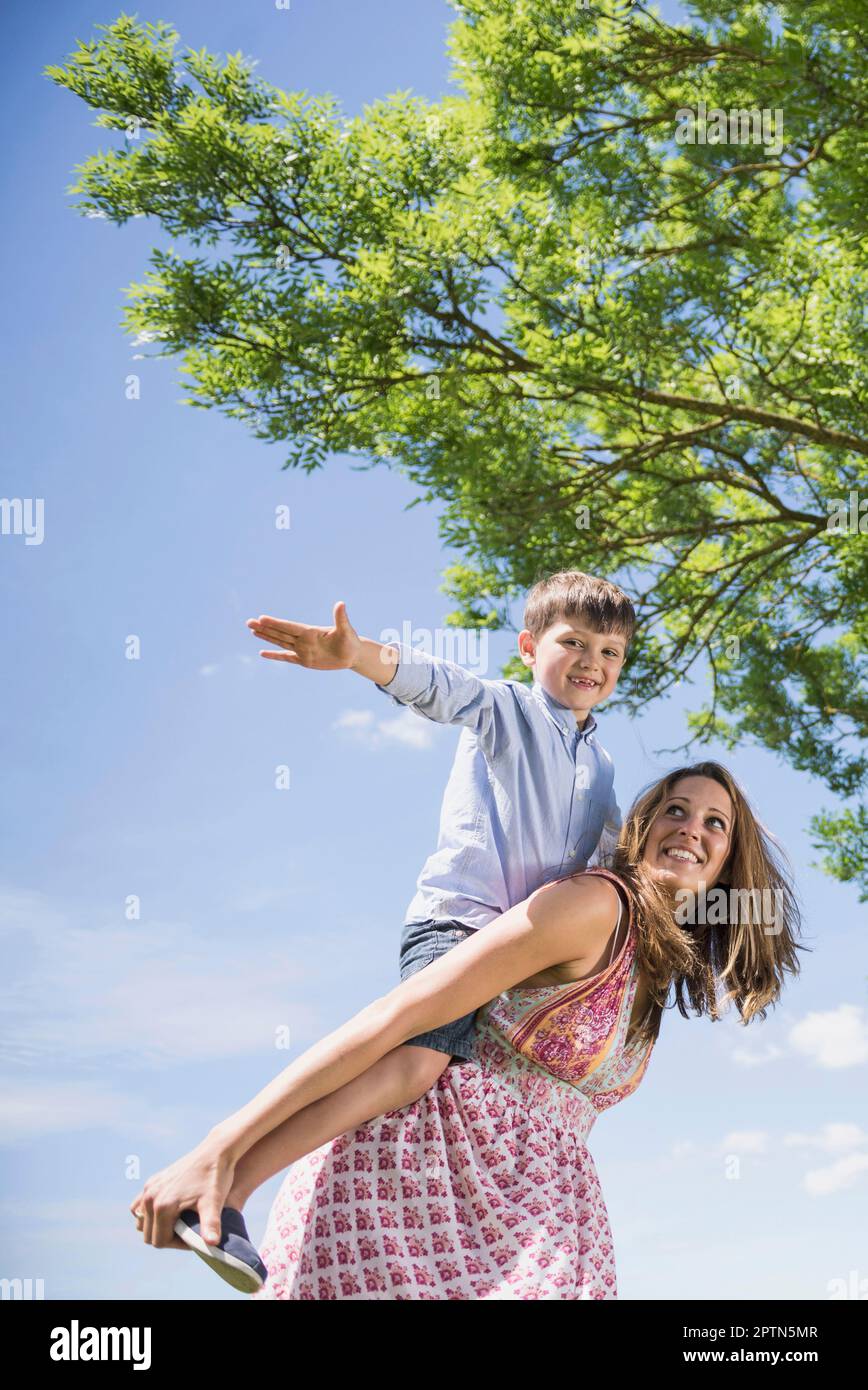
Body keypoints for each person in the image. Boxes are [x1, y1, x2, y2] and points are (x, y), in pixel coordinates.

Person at [130, 571, 636, 1288]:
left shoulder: (603, 764)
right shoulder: (507, 710)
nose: (593, 662)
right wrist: (361, 657)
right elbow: (435, 683)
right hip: (457, 927)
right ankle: (227, 1177)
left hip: (512, 960)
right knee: (414, 1065)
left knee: (417, 1072)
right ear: (529, 647)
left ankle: (233, 1188)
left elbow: (616, 852)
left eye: (611, 652)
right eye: (574, 643)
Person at [246, 761, 805, 1298]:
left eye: (715, 822)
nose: (690, 829)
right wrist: (226, 1156)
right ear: (643, 829)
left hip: (540, 1220)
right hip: (415, 1189)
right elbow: (400, 1015)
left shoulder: (652, 963)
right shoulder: (595, 906)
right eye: (675, 811)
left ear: (730, 862)